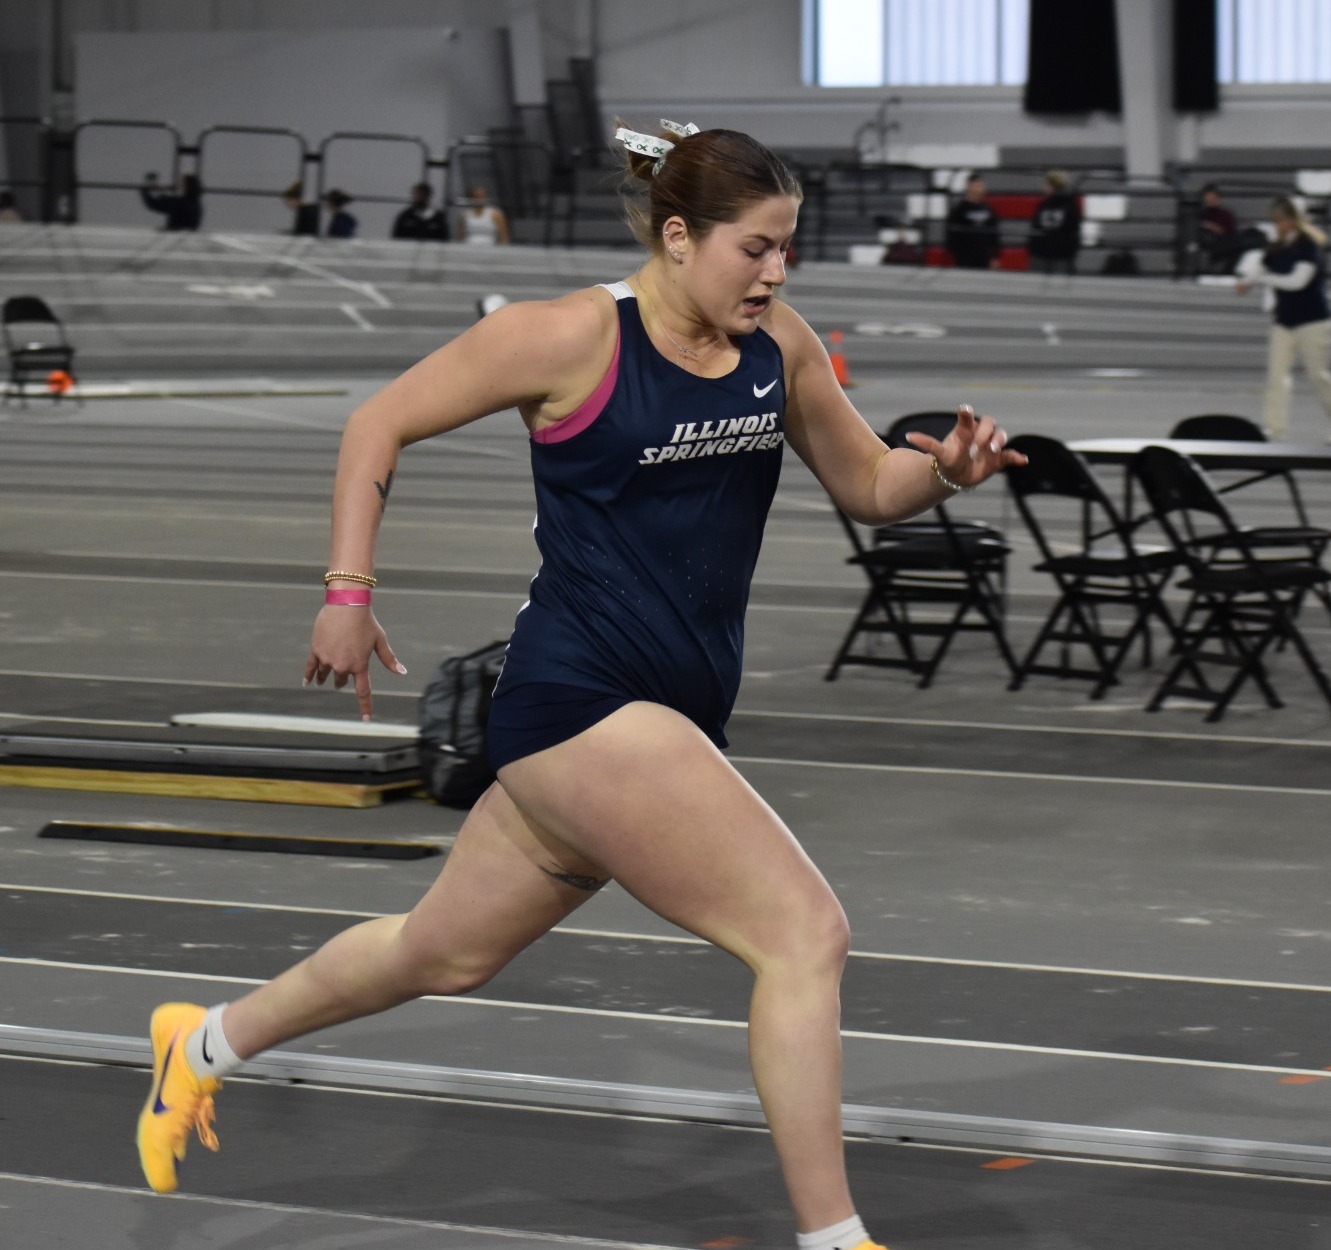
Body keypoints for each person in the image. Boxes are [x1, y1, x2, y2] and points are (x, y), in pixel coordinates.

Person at [132, 118, 1026, 1250]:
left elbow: (865, 481)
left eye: (785, 248)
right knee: (803, 934)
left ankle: (199, 1042)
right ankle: (835, 1239)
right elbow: (379, 421)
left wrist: (942, 471)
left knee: (439, 953)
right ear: (676, 235)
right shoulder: (562, 339)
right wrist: (346, 593)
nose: (774, 271)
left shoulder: (778, 345)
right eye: (753, 248)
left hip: (667, 720)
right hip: (580, 703)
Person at [1237, 197, 1331, 444]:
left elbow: (1296, 282)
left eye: (1281, 220)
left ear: (1292, 220)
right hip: (1285, 320)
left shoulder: (1309, 246)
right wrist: (1247, 281)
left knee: (1318, 375)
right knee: (1276, 376)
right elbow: (1260, 267)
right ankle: (1275, 428)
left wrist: (1263, 280)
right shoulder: (1277, 246)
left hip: (1313, 320)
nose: (1278, 225)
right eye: (1275, 221)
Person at [1028, 171, 1081, 276]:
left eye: (1047, 184)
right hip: (1041, 255)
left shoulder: (1069, 206)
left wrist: (1069, 253)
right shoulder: (1044, 205)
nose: (1044, 187)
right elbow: (1035, 228)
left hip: (1061, 257)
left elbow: (1074, 231)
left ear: (1053, 186)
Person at [943, 174, 998, 270]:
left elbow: (994, 234)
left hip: (984, 258)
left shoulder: (988, 210)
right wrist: (958, 255)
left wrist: (995, 256)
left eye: (981, 186)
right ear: (969, 187)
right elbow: (952, 236)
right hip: (965, 259)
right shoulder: (959, 211)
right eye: (977, 186)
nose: (980, 189)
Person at [1194, 183, 1241, 273]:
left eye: (1213, 198)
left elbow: (1230, 234)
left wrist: (1213, 227)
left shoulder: (1226, 215)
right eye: (1208, 198)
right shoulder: (1201, 215)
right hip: (1207, 244)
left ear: (1218, 198)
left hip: (1224, 245)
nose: (1210, 200)